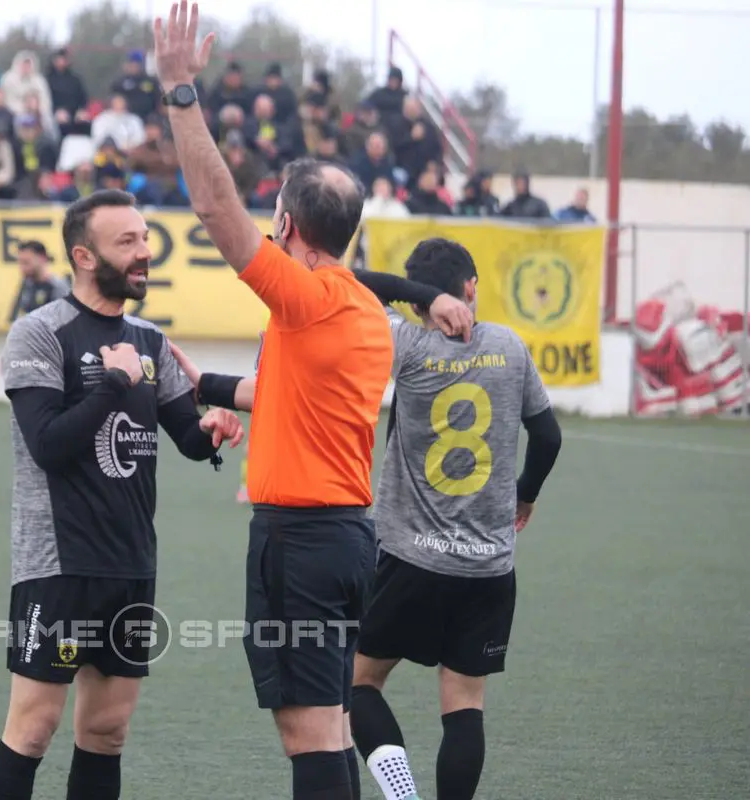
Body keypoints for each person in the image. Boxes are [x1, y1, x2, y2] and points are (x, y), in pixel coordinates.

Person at [151, 5, 470, 799]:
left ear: (287, 224)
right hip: (344, 540)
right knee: (325, 726)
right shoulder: (358, 308)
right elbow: (285, 394)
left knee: (311, 733)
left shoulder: (307, 299)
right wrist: (206, 387)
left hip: (300, 542)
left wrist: (181, 93)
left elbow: (215, 210)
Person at [0, 188, 245, 800]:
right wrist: (112, 382)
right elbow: (48, 444)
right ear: (84, 256)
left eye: (145, 238)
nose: (144, 252)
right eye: (126, 242)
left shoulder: (150, 340)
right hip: (60, 565)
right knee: (34, 728)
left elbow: (186, 435)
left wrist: (211, 428)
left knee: (107, 732)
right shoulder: (39, 334)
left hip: (130, 563)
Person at [349, 238, 563, 800]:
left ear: (419, 300)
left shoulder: (406, 344)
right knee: (465, 703)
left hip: (409, 559)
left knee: (358, 683)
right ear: (470, 287)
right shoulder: (509, 346)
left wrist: (420, 296)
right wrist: (525, 495)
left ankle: (401, 792)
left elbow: (349, 283)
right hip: (488, 567)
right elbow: (547, 436)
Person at [10, 240, 70, 320]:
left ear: (42, 258)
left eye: (26, 262)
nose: (22, 268)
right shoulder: (27, 285)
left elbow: (65, 320)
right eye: (20, 263)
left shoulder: (57, 287)